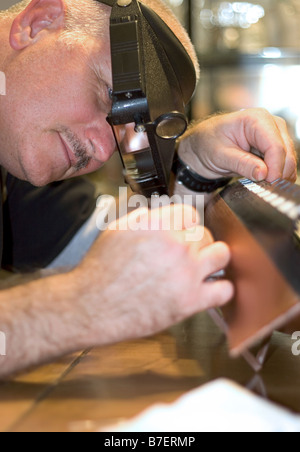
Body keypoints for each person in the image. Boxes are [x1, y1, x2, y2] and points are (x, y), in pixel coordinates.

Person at [0, 0, 297, 378]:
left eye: (122, 128)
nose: (104, 149)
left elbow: (119, 254)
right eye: (107, 93)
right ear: (38, 23)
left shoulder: (16, 157)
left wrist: (193, 166)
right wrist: (82, 304)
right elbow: (103, 282)